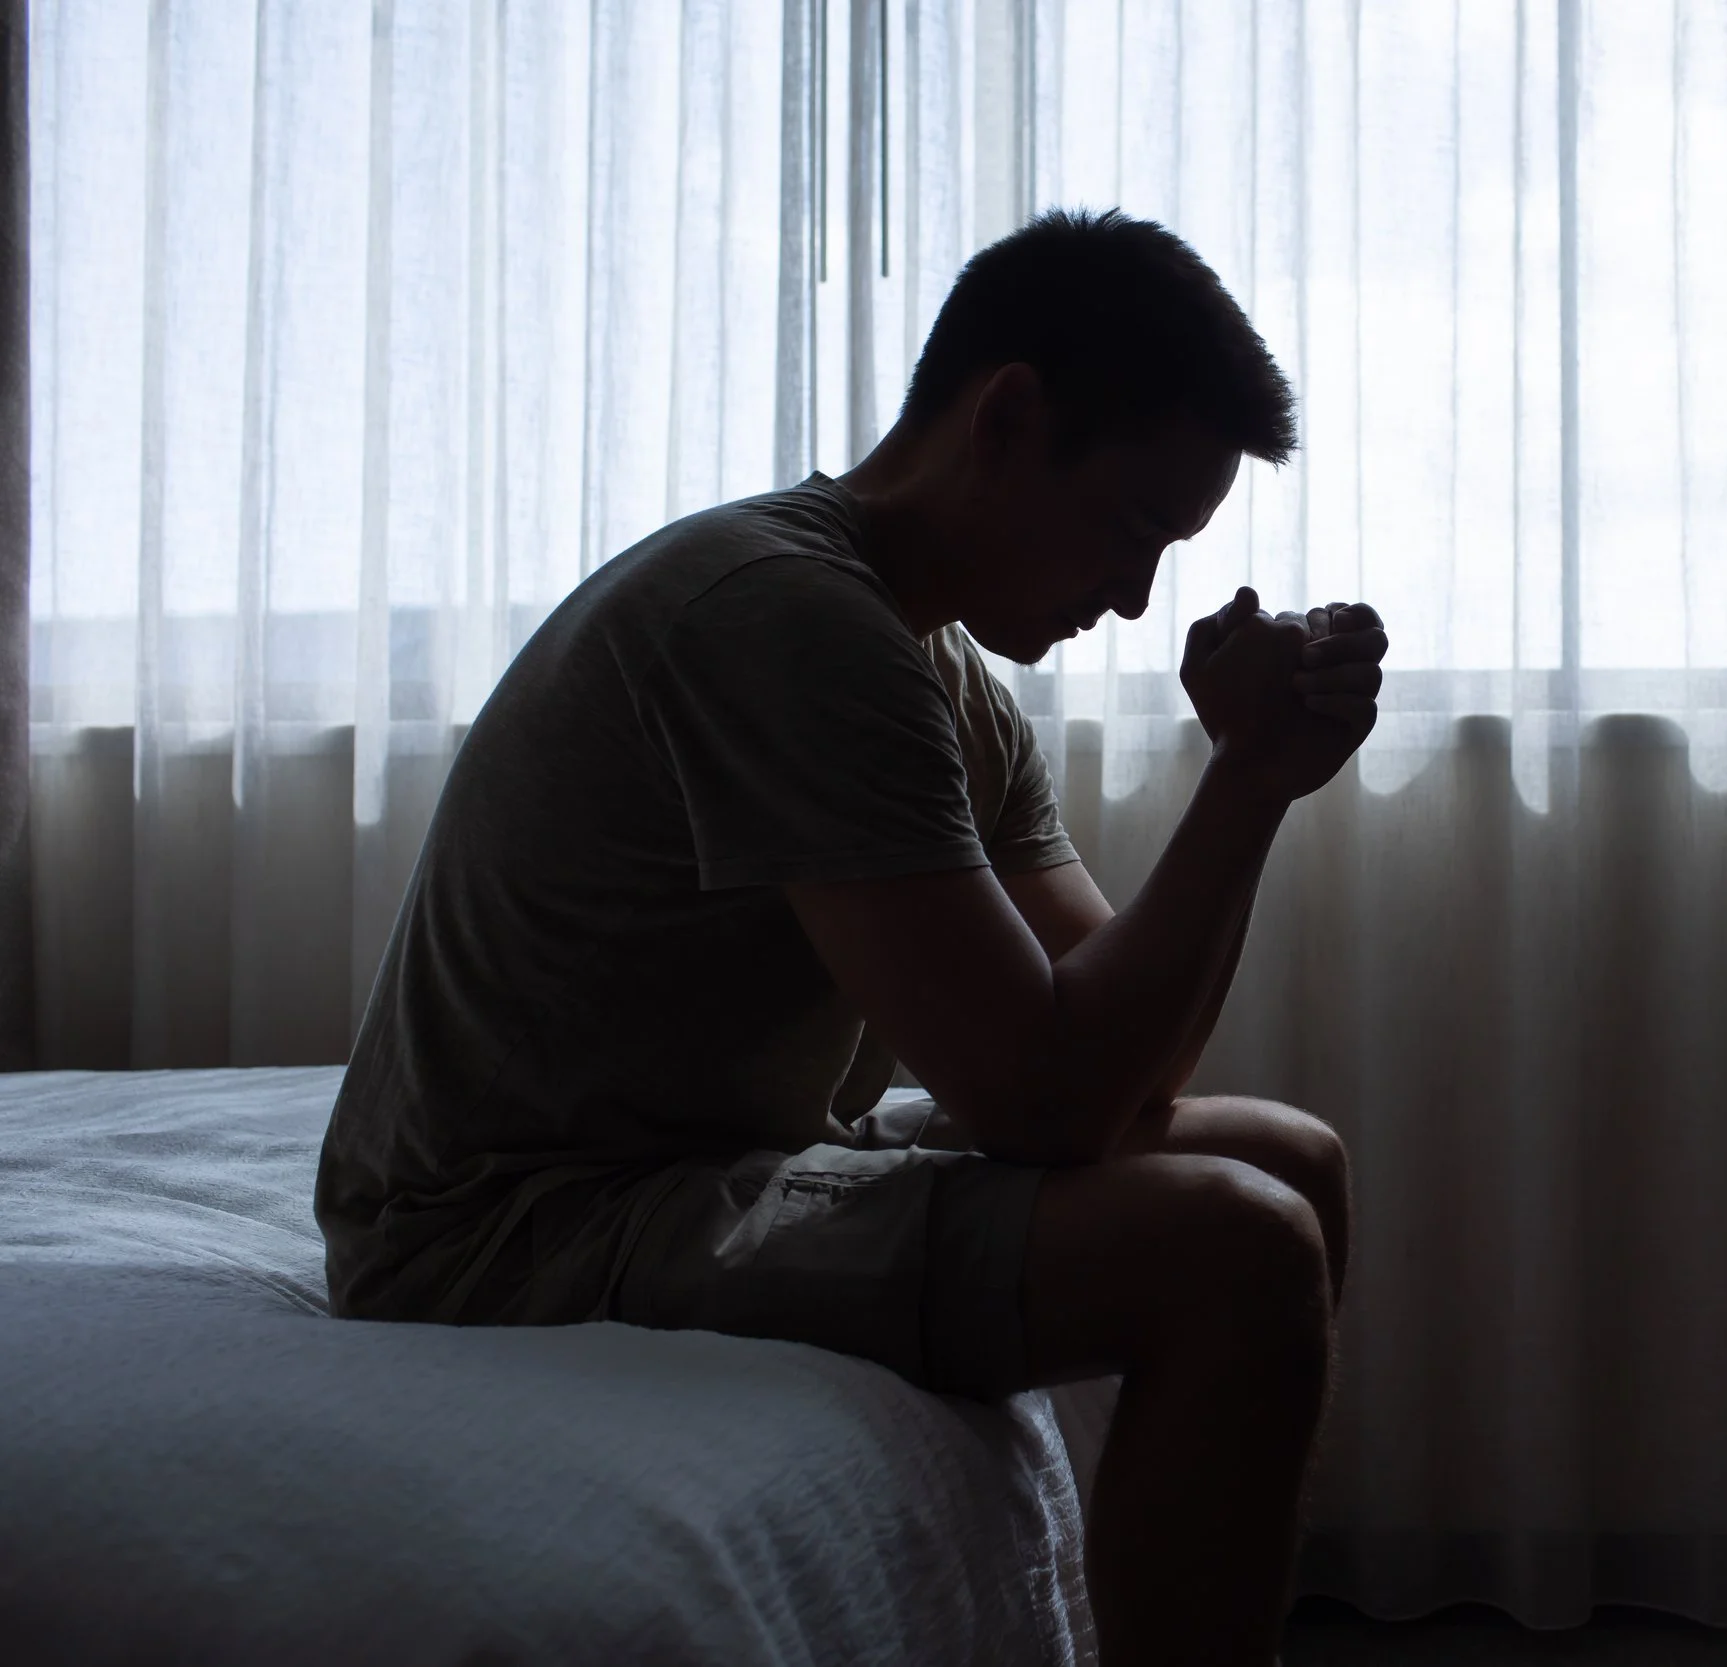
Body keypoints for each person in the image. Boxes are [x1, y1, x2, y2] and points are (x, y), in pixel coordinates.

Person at [315, 207, 1387, 1665]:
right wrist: (1244, 781)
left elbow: (1119, 1073)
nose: (1136, 595)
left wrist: (1252, 785)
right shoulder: (786, 620)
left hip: (705, 1158)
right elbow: (1048, 1093)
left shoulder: (934, 666)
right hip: (511, 1227)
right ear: (1009, 417)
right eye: (1133, 528)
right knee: (1238, 1250)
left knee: (1290, 1162)